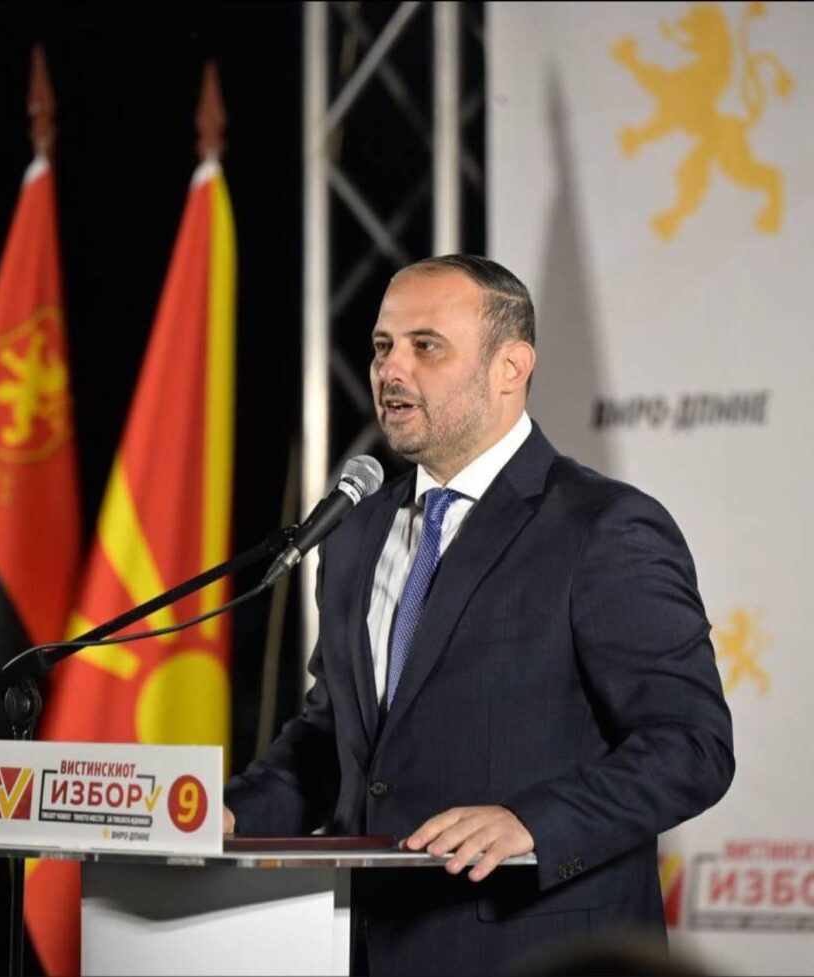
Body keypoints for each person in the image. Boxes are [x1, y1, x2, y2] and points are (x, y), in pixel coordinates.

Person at [223, 255, 734, 976]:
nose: (391, 370)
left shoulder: (603, 527)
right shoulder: (357, 532)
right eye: (382, 346)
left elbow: (691, 745)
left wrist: (534, 823)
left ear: (510, 367)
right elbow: (334, 738)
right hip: (366, 947)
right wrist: (227, 814)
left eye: (426, 346)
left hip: (537, 950)